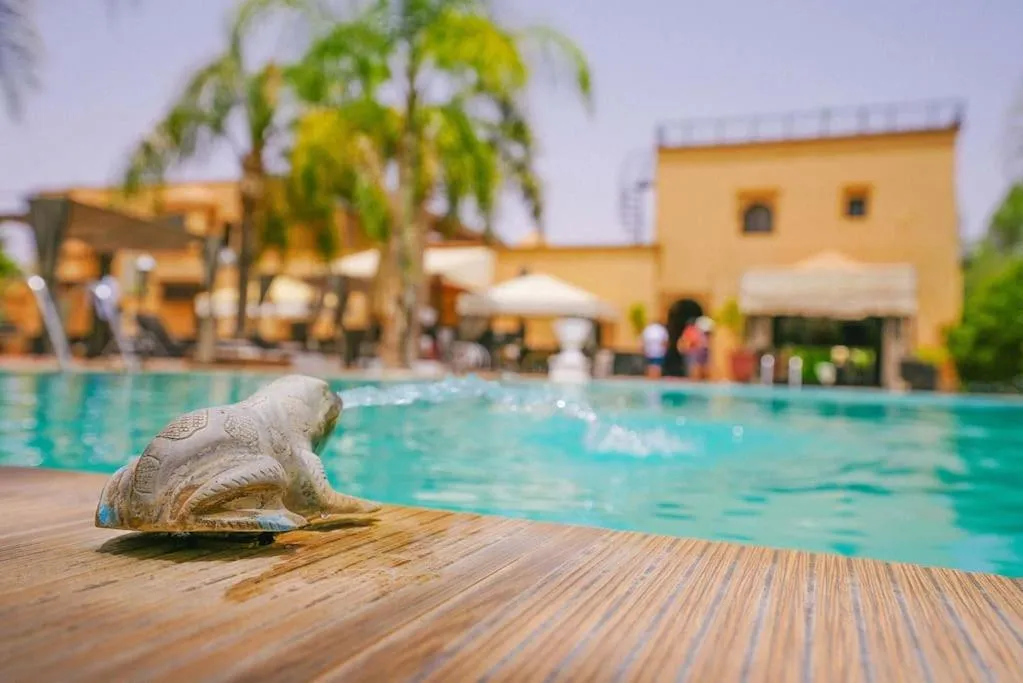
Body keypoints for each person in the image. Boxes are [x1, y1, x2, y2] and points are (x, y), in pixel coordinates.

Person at [679, 316, 714, 381]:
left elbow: (688, 341)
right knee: (698, 367)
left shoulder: (692, 330)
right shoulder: (695, 330)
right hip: (698, 350)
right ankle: (699, 380)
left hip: (696, 351)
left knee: (696, 367)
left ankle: (697, 380)